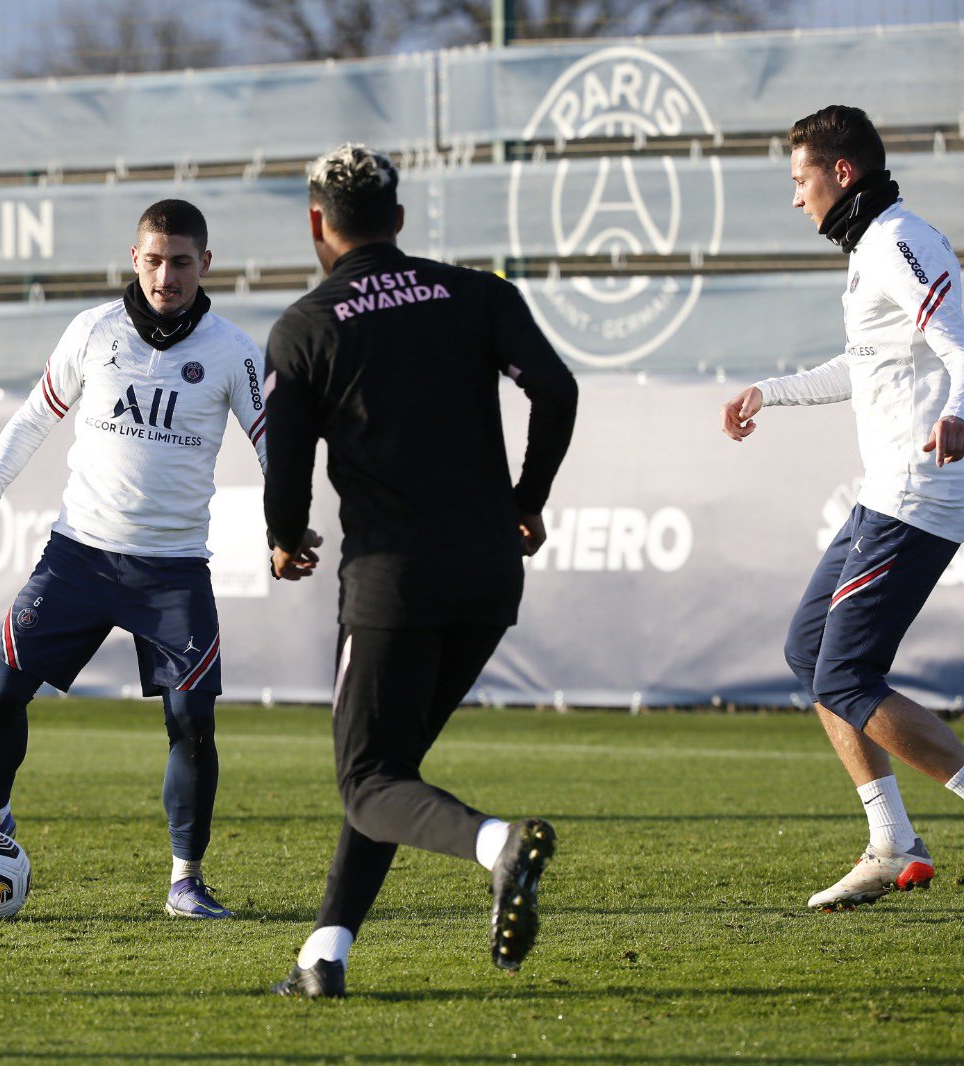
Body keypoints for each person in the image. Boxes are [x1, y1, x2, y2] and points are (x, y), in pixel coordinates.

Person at [262, 144, 578, 998]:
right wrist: (527, 496)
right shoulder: (478, 293)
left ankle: (498, 845)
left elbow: (284, 471)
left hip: (393, 582)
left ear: (316, 225)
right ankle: (324, 957)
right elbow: (556, 390)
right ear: (399, 219)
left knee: (368, 781)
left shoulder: (305, 326)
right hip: (487, 575)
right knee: (387, 772)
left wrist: (284, 536)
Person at [0, 199, 305, 919]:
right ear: (133, 258)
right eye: (154, 259)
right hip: (77, 559)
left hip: (172, 573)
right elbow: (33, 417)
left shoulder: (233, 351)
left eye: (181, 261)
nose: (166, 275)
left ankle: (185, 881)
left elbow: (274, 449)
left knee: (192, 722)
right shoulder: (93, 330)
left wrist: (283, 530)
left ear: (206, 263)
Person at [722, 105, 964, 911]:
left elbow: (962, 341)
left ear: (843, 173)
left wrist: (961, 410)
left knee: (848, 674)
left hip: (918, 493)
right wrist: (772, 392)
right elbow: (865, 367)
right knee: (810, 654)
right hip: (882, 491)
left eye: (801, 179)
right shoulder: (869, 249)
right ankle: (893, 840)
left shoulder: (899, 238)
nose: (797, 198)